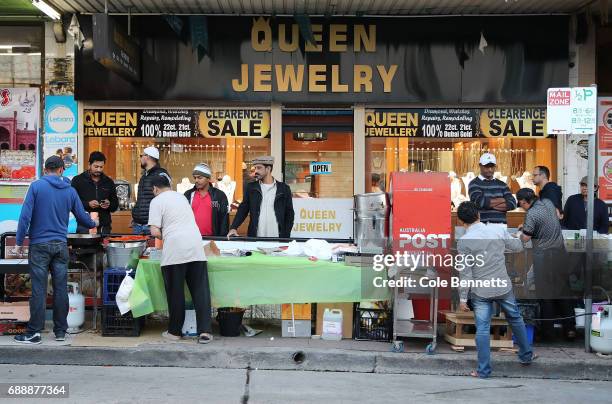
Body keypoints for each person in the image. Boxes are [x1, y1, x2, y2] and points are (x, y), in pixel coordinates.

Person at [14, 156, 97, 344]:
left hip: (39, 246)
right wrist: (94, 222)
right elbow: (82, 217)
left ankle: (34, 332)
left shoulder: (36, 187)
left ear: (45, 170)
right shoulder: (70, 191)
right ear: (61, 170)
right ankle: (60, 331)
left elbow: (25, 216)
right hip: (60, 246)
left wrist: (19, 242)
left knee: (38, 289)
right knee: (60, 289)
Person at [456, 201, 535, 378]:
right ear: (478, 215)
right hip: (502, 285)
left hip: (480, 290)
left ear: (461, 222)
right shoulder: (498, 229)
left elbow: (465, 273)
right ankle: (526, 356)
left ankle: (484, 370)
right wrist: (519, 233)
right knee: (515, 318)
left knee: (482, 329)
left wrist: (462, 299)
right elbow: (518, 247)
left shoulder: (464, 242)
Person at [148, 175, 213, 344]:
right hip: (195, 246)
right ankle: (205, 331)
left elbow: (154, 231)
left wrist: (167, 235)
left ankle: (174, 332)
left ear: (155, 189)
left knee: (175, 292)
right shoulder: (182, 197)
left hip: (175, 250)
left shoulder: (157, 201)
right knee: (200, 291)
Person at [516, 188, 575, 340]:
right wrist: (528, 227)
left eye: (521, 204)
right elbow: (548, 221)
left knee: (545, 293)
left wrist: (519, 234)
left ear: (524, 202)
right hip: (561, 254)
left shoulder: (531, 214)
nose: (521, 206)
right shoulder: (548, 203)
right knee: (564, 291)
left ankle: (548, 332)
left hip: (544, 257)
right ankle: (570, 329)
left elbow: (526, 238)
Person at [227, 156, 294, 238]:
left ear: (268, 169)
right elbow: (243, 209)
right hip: (256, 238)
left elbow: (289, 214)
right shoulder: (251, 188)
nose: (256, 171)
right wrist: (233, 227)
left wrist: (286, 234)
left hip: (278, 239)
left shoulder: (283, 188)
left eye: (259, 168)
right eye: (255, 168)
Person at [71, 151, 119, 235]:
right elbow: (71, 203)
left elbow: (115, 205)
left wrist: (109, 204)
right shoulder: (77, 180)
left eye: (101, 167)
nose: (99, 170)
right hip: (84, 226)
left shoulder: (108, 182)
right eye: (96, 167)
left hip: (104, 227)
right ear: (89, 164)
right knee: (83, 248)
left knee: (104, 248)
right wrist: (87, 204)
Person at [132, 146, 171, 235]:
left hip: (151, 227)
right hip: (138, 225)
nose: (140, 158)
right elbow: (142, 199)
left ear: (147, 157)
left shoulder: (161, 174)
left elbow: (167, 199)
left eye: (141, 156)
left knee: (154, 249)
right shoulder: (144, 176)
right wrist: (136, 215)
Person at [468, 153, 516, 225]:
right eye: (486, 167)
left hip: (501, 227)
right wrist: (503, 200)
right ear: (480, 166)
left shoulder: (502, 184)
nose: (490, 169)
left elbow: (512, 204)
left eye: (492, 166)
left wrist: (488, 204)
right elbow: (480, 202)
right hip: (482, 227)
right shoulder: (474, 184)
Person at [184, 163, 229, 236]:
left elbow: (224, 220)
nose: (196, 180)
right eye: (195, 178)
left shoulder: (219, 195)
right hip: (191, 238)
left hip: (213, 239)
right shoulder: (188, 195)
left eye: (199, 178)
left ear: (208, 178)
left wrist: (222, 240)